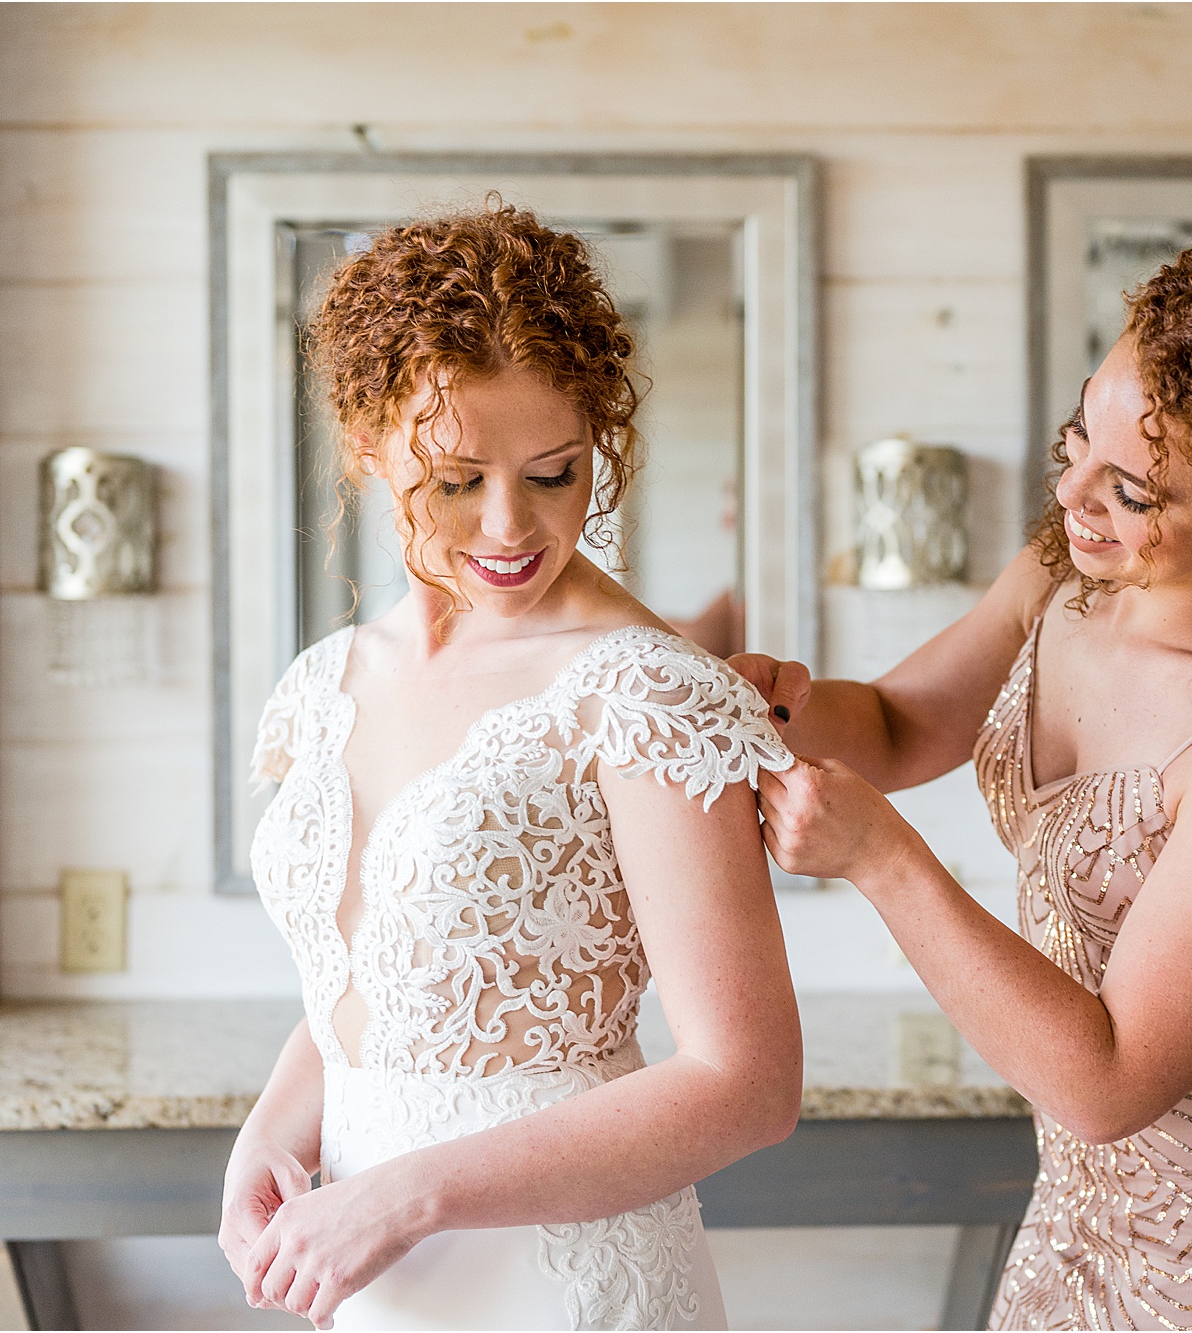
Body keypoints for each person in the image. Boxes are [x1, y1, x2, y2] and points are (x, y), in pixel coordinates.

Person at [738, 237, 1192, 1329]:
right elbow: (895, 720)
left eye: (1129, 487)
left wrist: (881, 860)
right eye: (1076, 438)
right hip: (1076, 1213)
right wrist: (774, 701)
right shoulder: (1063, 579)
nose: (1068, 492)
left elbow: (1105, 1081)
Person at [222, 205, 801, 1331]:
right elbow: (380, 990)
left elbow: (747, 1085)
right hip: (377, 1282)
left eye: (554, 472)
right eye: (453, 481)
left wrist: (409, 1194)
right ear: (366, 446)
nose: (510, 526)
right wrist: (269, 1132)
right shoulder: (326, 680)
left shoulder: (642, 689)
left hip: (562, 1284)